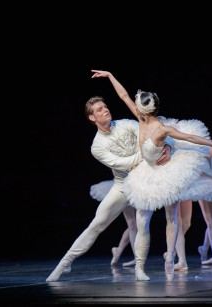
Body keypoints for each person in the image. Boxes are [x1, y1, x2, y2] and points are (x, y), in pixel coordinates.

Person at [91, 70, 212, 281]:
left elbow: (189, 136)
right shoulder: (141, 119)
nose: (133, 101)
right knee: (144, 220)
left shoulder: (161, 128)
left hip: (167, 171)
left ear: (144, 108)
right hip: (147, 171)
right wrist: (110, 76)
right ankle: (142, 263)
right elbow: (123, 95)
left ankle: (170, 256)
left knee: (172, 212)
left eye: (137, 101)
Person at [45, 95, 172, 282]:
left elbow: (153, 137)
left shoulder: (127, 124)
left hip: (145, 181)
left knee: (142, 223)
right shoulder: (97, 146)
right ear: (92, 118)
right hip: (123, 184)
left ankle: (139, 268)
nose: (105, 110)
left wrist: (166, 147)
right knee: (97, 224)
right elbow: (120, 163)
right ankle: (65, 263)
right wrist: (146, 156)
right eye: (99, 110)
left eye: (105, 106)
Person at [90, 180, 136, 267]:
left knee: (135, 224)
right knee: (132, 223)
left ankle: (118, 250)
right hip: (125, 188)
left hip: (137, 187)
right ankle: (136, 258)